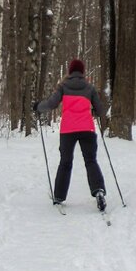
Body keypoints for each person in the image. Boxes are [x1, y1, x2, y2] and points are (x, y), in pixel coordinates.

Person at [34, 58, 107, 211]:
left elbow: (51, 104)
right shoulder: (89, 88)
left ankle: (59, 196)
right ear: (82, 71)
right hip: (87, 128)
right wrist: (93, 110)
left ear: (70, 71)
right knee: (91, 160)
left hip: (68, 130)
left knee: (65, 162)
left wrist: (38, 107)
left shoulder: (63, 86)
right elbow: (100, 111)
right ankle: (99, 191)